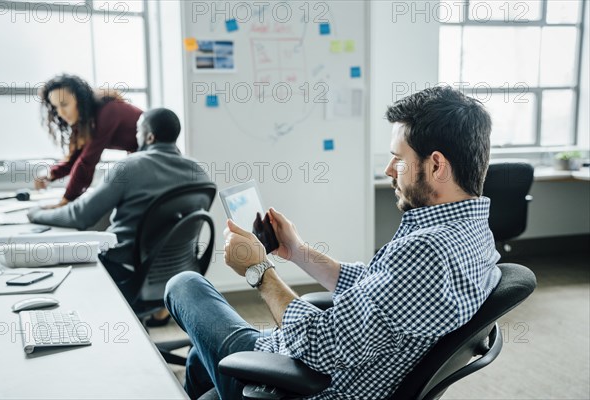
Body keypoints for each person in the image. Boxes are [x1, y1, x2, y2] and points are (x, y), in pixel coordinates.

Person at [164, 86, 502, 399]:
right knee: (199, 355)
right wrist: (297, 251)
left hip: (311, 387)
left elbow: (321, 348)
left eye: (398, 159)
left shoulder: (428, 252)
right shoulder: (473, 234)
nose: (388, 170)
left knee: (185, 284)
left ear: (437, 165)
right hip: (333, 368)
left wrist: (259, 271)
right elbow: (374, 289)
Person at [28, 108, 212, 323]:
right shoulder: (198, 171)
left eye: (138, 131)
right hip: (178, 271)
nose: (135, 137)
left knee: (72, 259)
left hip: (126, 271)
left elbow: (79, 216)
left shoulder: (129, 167)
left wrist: (36, 213)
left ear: (149, 136)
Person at [35, 74, 143, 207]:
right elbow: (76, 158)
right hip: (141, 157)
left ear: (80, 100)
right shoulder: (87, 120)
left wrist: (65, 201)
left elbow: (87, 162)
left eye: (64, 104)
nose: (61, 113)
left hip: (159, 154)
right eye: (56, 107)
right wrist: (50, 174)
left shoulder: (108, 111)